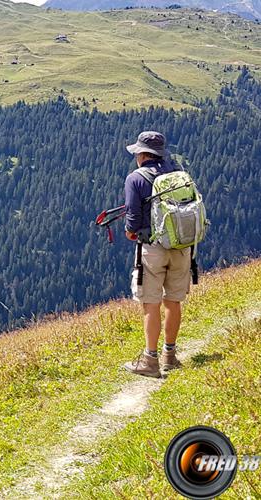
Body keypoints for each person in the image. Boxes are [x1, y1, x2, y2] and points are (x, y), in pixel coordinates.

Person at [121, 131, 192, 378]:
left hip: (152, 249)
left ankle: (150, 361)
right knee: (174, 300)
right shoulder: (178, 174)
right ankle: (169, 356)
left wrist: (131, 232)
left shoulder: (136, 179)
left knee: (150, 303)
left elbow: (132, 221)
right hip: (182, 246)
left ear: (142, 154)